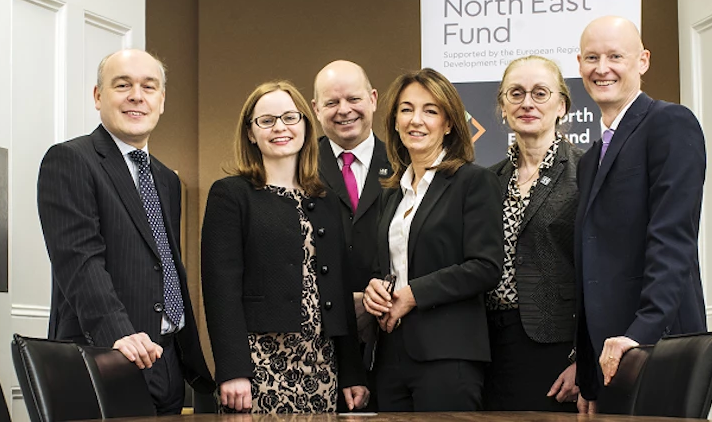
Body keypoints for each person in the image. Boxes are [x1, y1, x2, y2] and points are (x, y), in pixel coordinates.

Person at [36, 49, 215, 415]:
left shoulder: (165, 179)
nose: (137, 95)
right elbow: (79, 261)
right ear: (98, 96)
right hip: (103, 356)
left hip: (167, 358)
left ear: (161, 101)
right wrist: (119, 333)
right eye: (123, 85)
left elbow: (161, 262)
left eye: (149, 87)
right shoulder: (71, 160)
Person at [201, 81, 369, 413]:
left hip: (322, 362)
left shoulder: (327, 201)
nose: (280, 127)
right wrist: (233, 370)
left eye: (291, 117)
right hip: (259, 363)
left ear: (306, 125)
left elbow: (340, 290)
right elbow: (221, 291)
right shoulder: (231, 195)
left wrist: (352, 371)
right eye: (266, 120)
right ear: (251, 132)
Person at [573, 16, 708, 413]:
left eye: (615, 56)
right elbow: (592, 267)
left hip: (657, 347)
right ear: (579, 63)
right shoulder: (589, 161)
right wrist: (588, 377)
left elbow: (673, 241)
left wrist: (640, 335)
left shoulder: (669, 123)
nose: (602, 68)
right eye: (592, 57)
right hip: (608, 361)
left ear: (643, 61)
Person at [362, 68, 503, 412]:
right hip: (391, 354)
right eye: (406, 109)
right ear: (395, 120)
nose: (416, 120)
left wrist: (413, 295)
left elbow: (486, 267)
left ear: (449, 123)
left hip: (448, 356)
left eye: (430, 110)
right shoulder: (392, 193)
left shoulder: (473, 182)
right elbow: (393, 266)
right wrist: (376, 290)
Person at [484, 55, 583, 412]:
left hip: (555, 347)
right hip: (489, 345)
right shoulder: (486, 180)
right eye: (516, 93)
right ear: (502, 106)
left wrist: (583, 360)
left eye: (540, 93)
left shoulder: (585, 172)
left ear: (562, 105)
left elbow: (601, 275)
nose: (527, 103)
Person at [312, 60, 391, 341]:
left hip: (390, 325)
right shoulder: (299, 168)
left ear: (372, 100)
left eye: (354, 98)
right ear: (316, 109)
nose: (344, 110)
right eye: (332, 102)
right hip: (319, 330)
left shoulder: (404, 163)